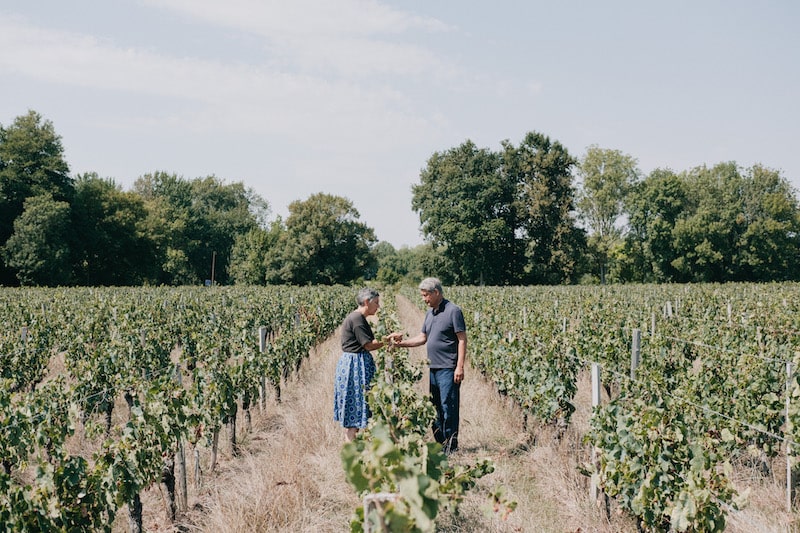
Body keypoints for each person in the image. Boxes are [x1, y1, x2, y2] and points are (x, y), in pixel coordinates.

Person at [394, 277, 466, 454]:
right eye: (422, 296)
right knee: (434, 407)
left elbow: (462, 339)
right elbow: (422, 338)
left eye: (426, 295)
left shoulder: (453, 311)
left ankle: (451, 446)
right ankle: (440, 443)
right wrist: (400, 344)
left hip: (449, 368)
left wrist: (460, 366)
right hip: (433, 368)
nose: (424, 299)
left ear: (436, 293)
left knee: (448, 406)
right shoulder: (430, 313)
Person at [333, 287, 402, 441]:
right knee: (356, 409)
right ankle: (352, 450)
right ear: (366, 302)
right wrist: (389, 338)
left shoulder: (357, 318)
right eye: (376, 303)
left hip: (354, 364)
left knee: (357, 408)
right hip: (355, 367)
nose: (378, 306)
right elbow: (369, 345)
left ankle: (354, 448)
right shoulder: (357, 319)